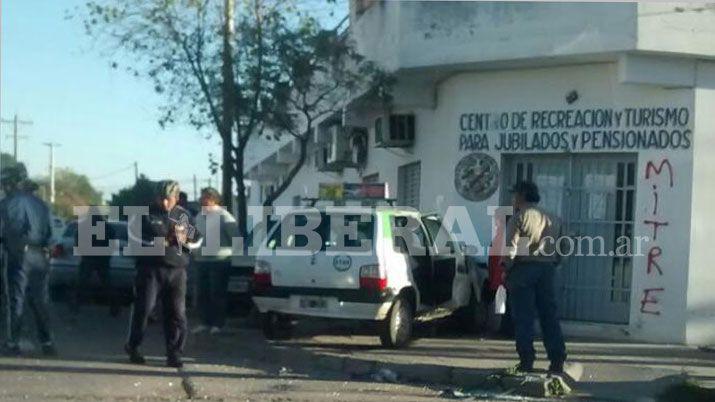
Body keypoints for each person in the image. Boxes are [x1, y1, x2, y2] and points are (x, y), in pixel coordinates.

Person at [125, 180, 202, 368]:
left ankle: (174, 353)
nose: (165, 203)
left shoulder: (183, 215)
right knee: (145, 308)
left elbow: (197, 240)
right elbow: (135, 238)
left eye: (169, 199)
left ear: (176, 198)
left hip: (177, 270)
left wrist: (183, 242)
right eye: (162, 199)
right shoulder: (144, 214)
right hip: (150, 269)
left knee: (177, 313)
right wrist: (162, 242)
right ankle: (133, 345)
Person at [503, 180, 566, 373]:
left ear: (521, 195)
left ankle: (526, 360)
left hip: (523, 269)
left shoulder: (519, 217)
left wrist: (506, 269)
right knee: (549, 316)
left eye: (514, 195)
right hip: (547, 270)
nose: (512, 199)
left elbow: (511, 249)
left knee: (524, 317)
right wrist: (553, 262)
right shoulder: (553, 217)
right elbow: (563, 247)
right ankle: (557, 360)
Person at [0, 165, 57, 357]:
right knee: (40, 300)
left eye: (5, 184)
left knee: (15, 299)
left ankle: (12, 342)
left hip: (19, 254)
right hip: (41, 255)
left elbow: (6, 231)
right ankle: (47, 342)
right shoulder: (41, 204)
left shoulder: (8, 203)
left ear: (11, 183)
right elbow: (51, 234)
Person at [192, 187, 238, 335]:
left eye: (206, 197)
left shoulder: (224, 216)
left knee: (217, 293)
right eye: (202, 197)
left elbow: (236, 239)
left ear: (214, 199)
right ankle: (205, 322)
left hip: (219, 260)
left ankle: (218, 324)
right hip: (201, 260)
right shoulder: (199, 216)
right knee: (202, 293)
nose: (202, 200)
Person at [72, 213, 120, 316]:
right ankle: (114, 306)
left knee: (81, 282)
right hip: (102, 258)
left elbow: (77, 240)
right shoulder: (107, 227)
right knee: (107, 284)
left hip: (89, 257)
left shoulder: (85, 225)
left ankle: (76, 306)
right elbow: (112, 243)